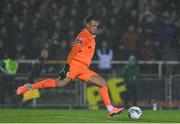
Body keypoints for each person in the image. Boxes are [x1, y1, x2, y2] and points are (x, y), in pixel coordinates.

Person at [16, 16, 125, 116]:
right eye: (94, 25)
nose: (96, 28)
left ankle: (110, 109)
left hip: (84, 69)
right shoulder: (83, 35)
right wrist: (67, 67)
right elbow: (73, 51)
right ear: (87, 25)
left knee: (103, 83)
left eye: (97, 26)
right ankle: (29, 87)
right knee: (59, 84)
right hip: (75, 65)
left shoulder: (90, 36)